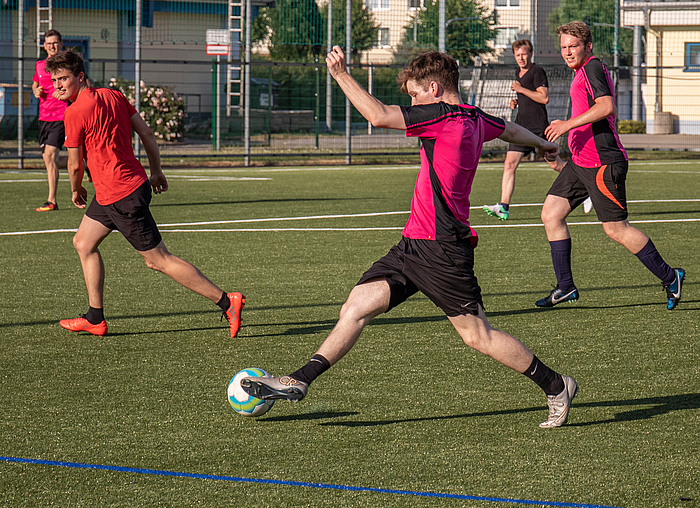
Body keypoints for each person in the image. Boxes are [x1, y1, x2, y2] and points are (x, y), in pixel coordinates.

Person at [242, 46, 578, 429]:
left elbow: (377, 115)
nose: (413, 102)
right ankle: (299, 380)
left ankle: (555, 385)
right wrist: (543, 143)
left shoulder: (440, 115)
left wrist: (339, 74)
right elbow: (509, 128)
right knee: (357, 306)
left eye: (415, 94)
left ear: (434, 88)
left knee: (478, 336)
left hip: (441, 249)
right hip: (414, 243)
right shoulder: (473, 117)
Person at [45, 50, 245, 337]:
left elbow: (75, 164)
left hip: (120, 194)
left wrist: (76, 190)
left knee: (158, 259)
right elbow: (147, 134)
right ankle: (94, 318)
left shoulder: (74, 112)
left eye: (63, 78)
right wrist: (157, 171)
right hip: (122, 188)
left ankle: (227, 302)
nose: (58, 85)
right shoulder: (114, 95)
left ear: (80, 76)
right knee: (83, 242)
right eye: (54, 80)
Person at [539, 21, 684, 310]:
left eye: (573, 46)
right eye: (564, 47)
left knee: (615, 229)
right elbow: (586, 112)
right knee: (551, 214)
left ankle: (671, 276)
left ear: (588, 46)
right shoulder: (580, 72)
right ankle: (566, 286)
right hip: (581, 163)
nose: (567, 52)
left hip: (603, 164)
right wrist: (561, 152)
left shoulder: (592, 66)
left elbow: (605, 107)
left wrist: (566, 125)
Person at [483, 39, 550, 221]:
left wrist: (521, 89)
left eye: (524, 54)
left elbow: (543, 98)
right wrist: (518, 100)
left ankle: (585, 188)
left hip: (537, 127)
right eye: (517, 55)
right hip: (521, 125)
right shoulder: (518, 72)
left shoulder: (537, 72)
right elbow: (530, 97)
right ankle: (503, 206)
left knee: (554, 163)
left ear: (531, 53)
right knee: (509, 164)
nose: (521, 58)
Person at [32, 29, 68, 212]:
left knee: (49, 155)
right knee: (50, 158)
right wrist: (35, 90)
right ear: (44, 46)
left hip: (62, 116)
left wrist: (62, 92)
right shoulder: (40, 65)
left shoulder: (67, 65)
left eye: (55, 43)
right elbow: (35, 83)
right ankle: (83, 165)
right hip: (43, 118)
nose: (52, 46)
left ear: (60, 44)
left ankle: (52, 200)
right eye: (49, 43)